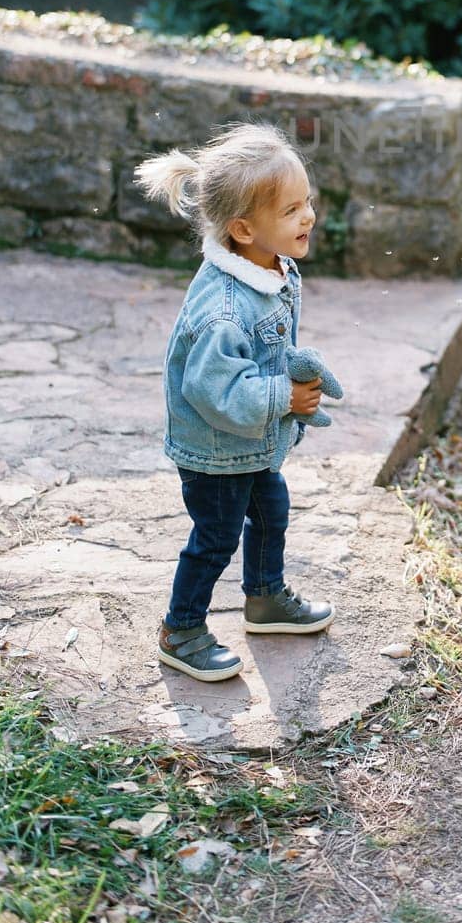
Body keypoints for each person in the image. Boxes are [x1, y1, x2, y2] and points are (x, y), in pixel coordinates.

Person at [136, 123, 335, 683]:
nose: (309, 217)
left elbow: (270, 347)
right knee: (215, 537)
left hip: (251, 442)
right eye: (292, 209)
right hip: (215, 451)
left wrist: (298, 373)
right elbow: (216, 390)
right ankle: (182, 629)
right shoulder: (222, 310)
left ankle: (266, 598)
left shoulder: (271, 268)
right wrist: (284, 396)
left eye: (307, 202)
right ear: (243, 228)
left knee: (271, 512)